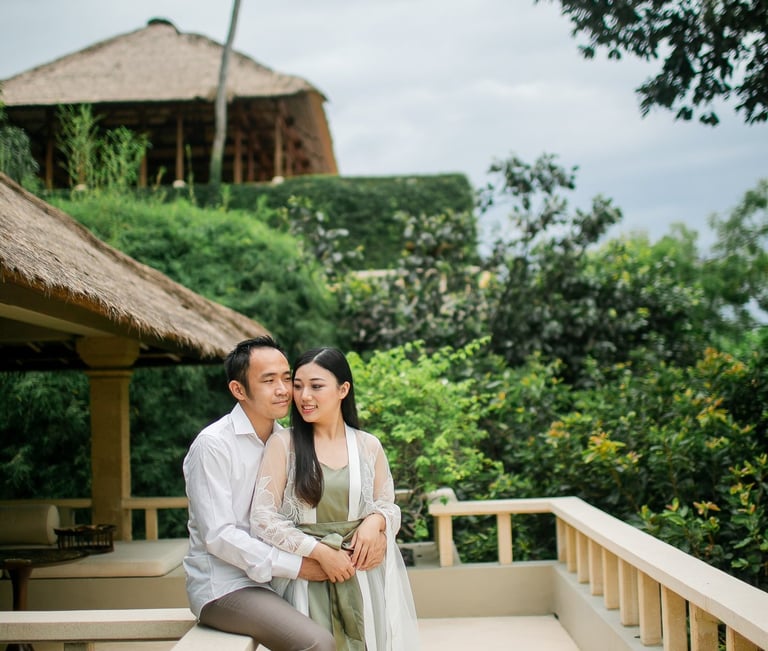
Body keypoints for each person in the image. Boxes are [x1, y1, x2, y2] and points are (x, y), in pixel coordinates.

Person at [250, 347, 421, 651]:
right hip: (308, 579)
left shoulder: (368, 446)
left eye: (316, 386)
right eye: (298, 385)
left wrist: (375, 521)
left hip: (363, 578)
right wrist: (318, 551)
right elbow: (263, 517)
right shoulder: (284, 444)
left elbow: (388, 504)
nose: (304, 396)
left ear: (343, 389)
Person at [183, 336, 341, 651]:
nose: (284, 390)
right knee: (317, 645)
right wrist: (300, 566)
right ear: (238, 390)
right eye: (269, 380)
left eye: (287, 378)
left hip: (276, 578)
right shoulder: (213, 445)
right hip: (227, 586)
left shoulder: (289, 440)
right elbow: (219, 536)